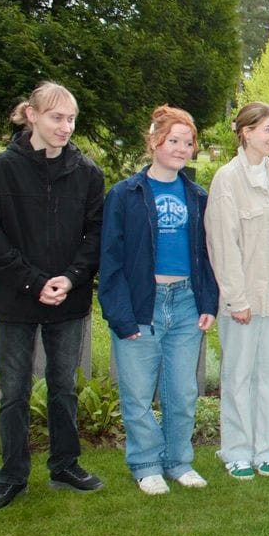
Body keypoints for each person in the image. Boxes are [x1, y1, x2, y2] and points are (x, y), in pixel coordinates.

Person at [0, 82, 105, 511]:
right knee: (15, 391)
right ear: (32, 116)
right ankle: (11, 476)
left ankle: (65, 466)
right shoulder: (0, 170)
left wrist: (70, 278)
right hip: (14, 299)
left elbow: (95, 236)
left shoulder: (88, 173)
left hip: (68, 298)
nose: (65, 126)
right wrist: (33, 280)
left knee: (63, 388)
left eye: (71, 118)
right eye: (57, 117)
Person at [99, 105, 218, 495]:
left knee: (182, 391)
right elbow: (111, 258)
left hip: (184, 302)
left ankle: (178, 461)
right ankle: (146, 463)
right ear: (154, 142)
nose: (182, 148)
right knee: (137, 393)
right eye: (174, 141)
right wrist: (120, 315)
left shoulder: (197, 196)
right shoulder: (125, 194)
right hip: (141, 303)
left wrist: (207, 303)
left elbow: (206, 255)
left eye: (188, 142)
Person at [205, 102, 269, 479]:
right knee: (239, 373)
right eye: (268, 130)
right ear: (245, 132)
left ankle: (266, 448)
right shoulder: (228, 180)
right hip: (243, 290)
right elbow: (222, 244)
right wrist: (236, 299)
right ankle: (237, 450)